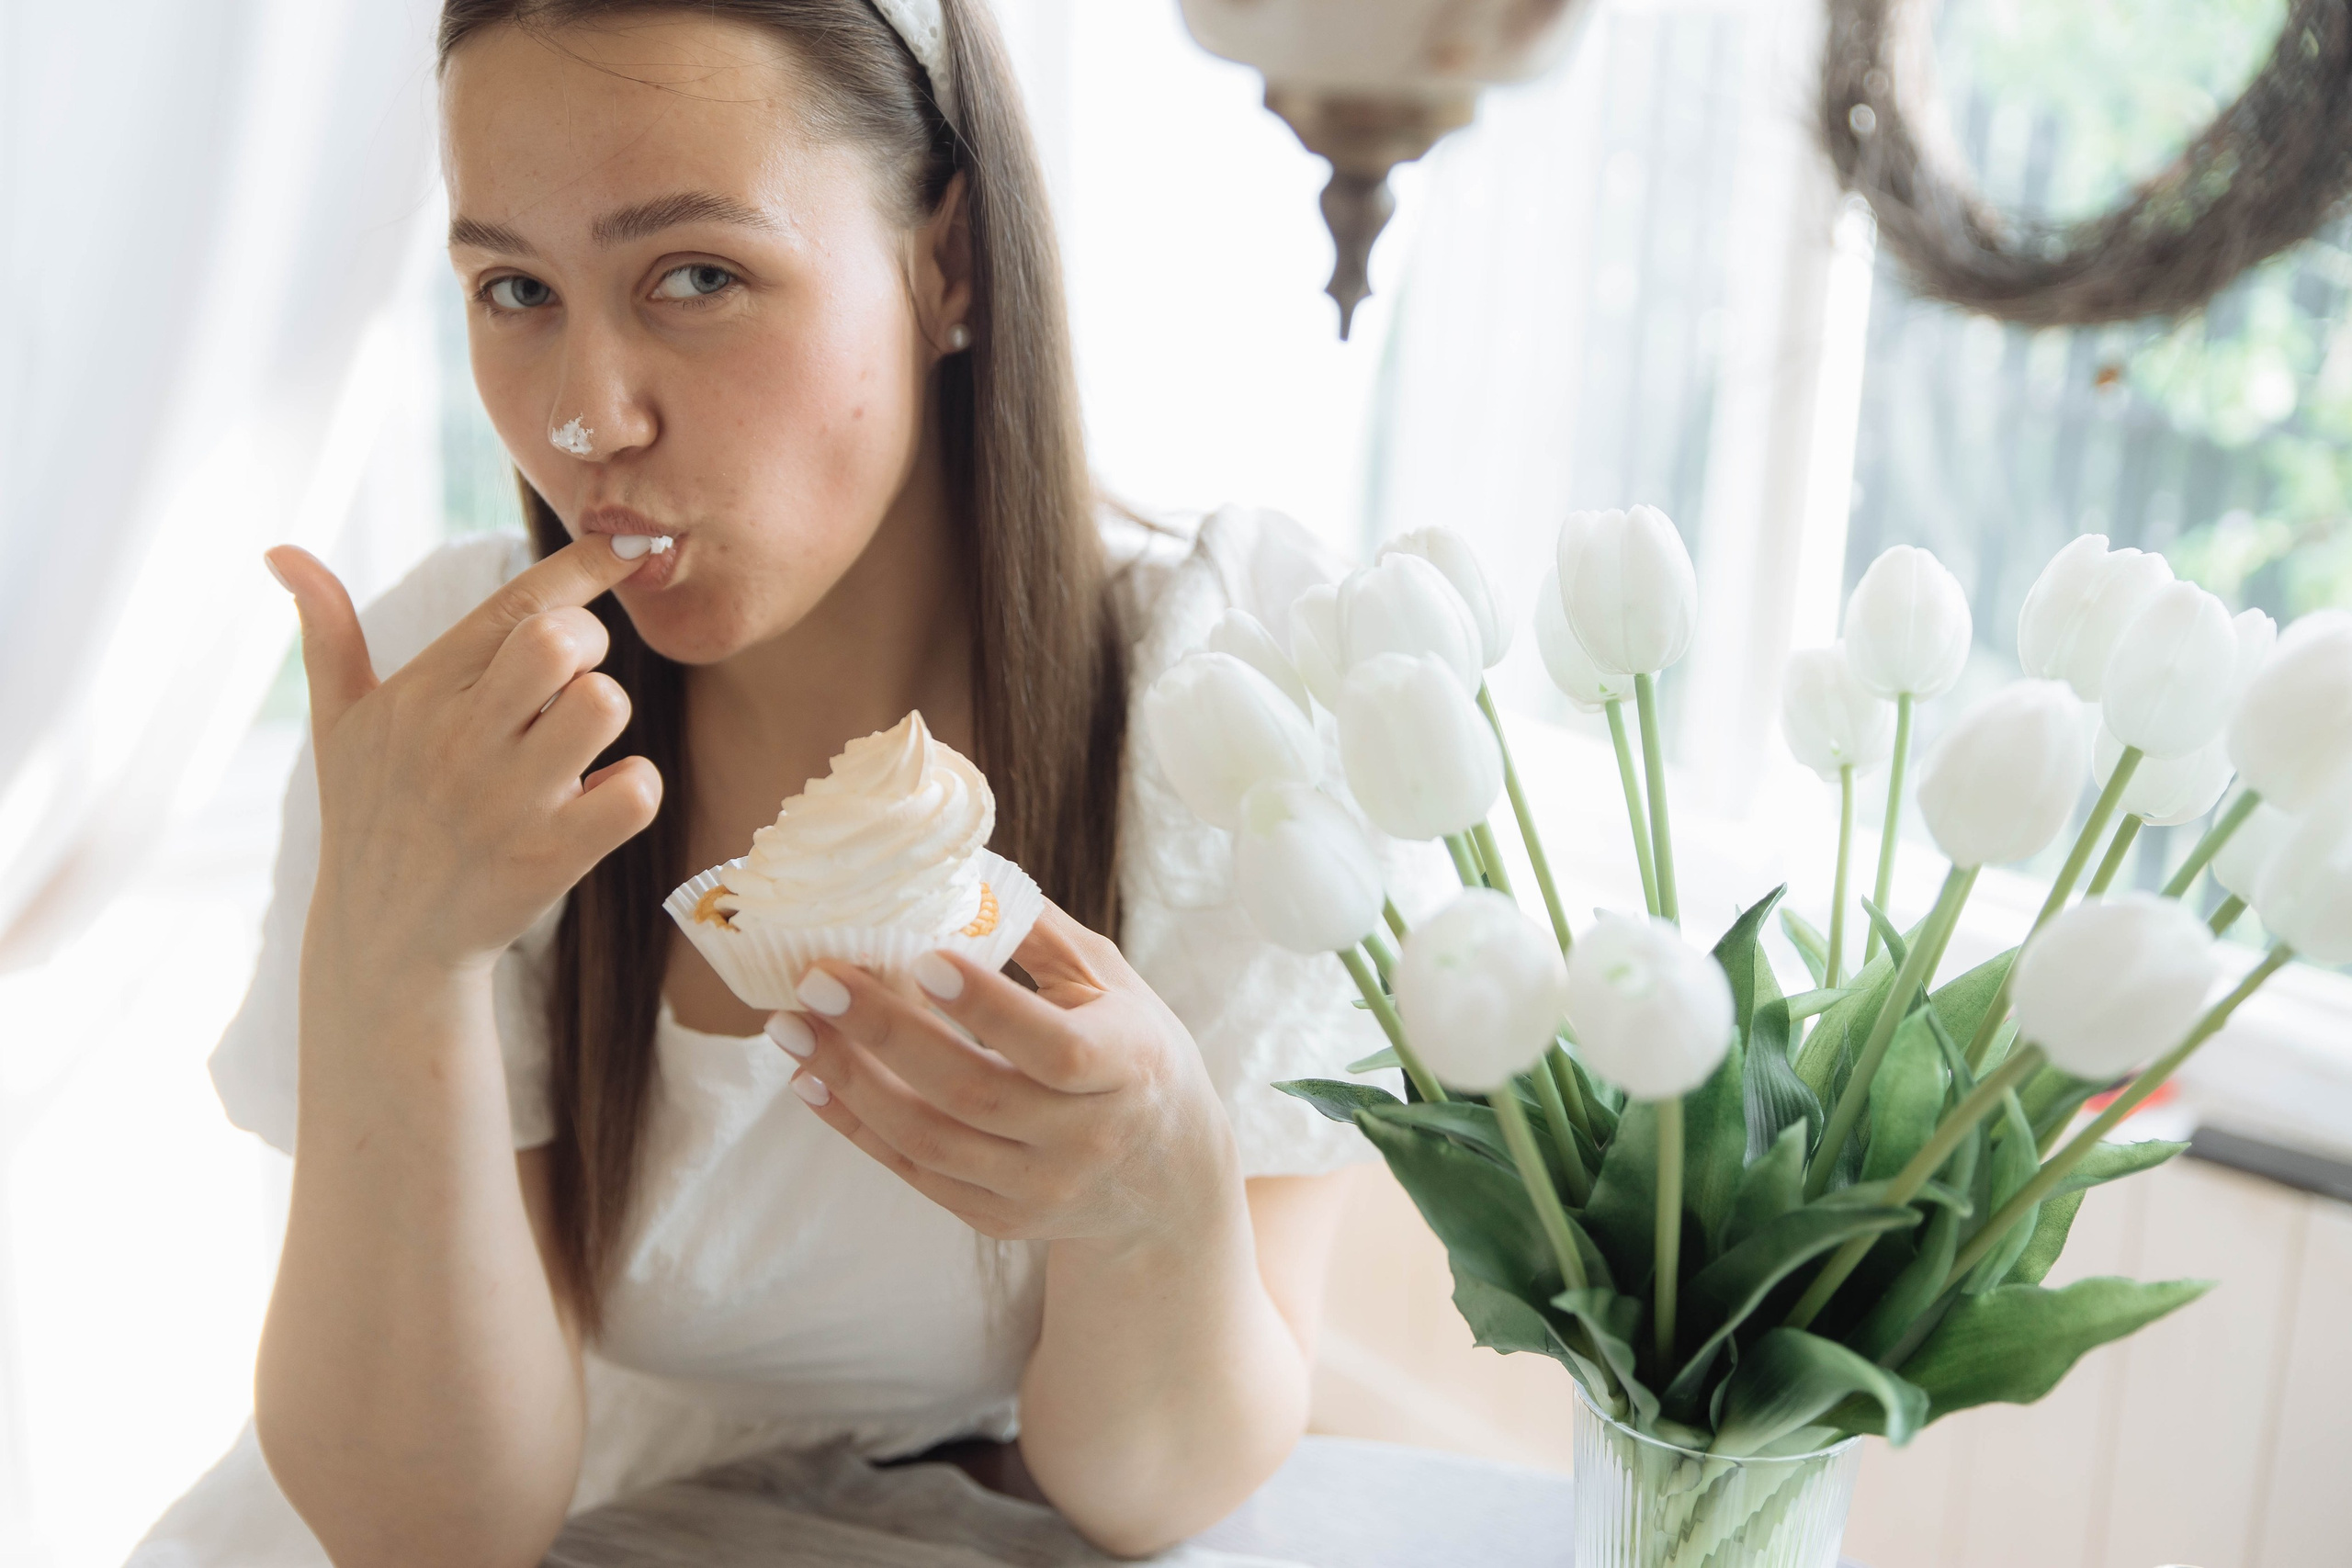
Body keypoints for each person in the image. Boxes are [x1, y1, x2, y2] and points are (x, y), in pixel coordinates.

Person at [130, 3, 1433, 1565]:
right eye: (515, 289)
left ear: (950, 264)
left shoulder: (1220, 707)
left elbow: (1150, 1489)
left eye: (698, 277)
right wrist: (395, 959)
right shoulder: (453, 715)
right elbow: (428, 1532)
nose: (585, 418)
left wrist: (1161, 1189)